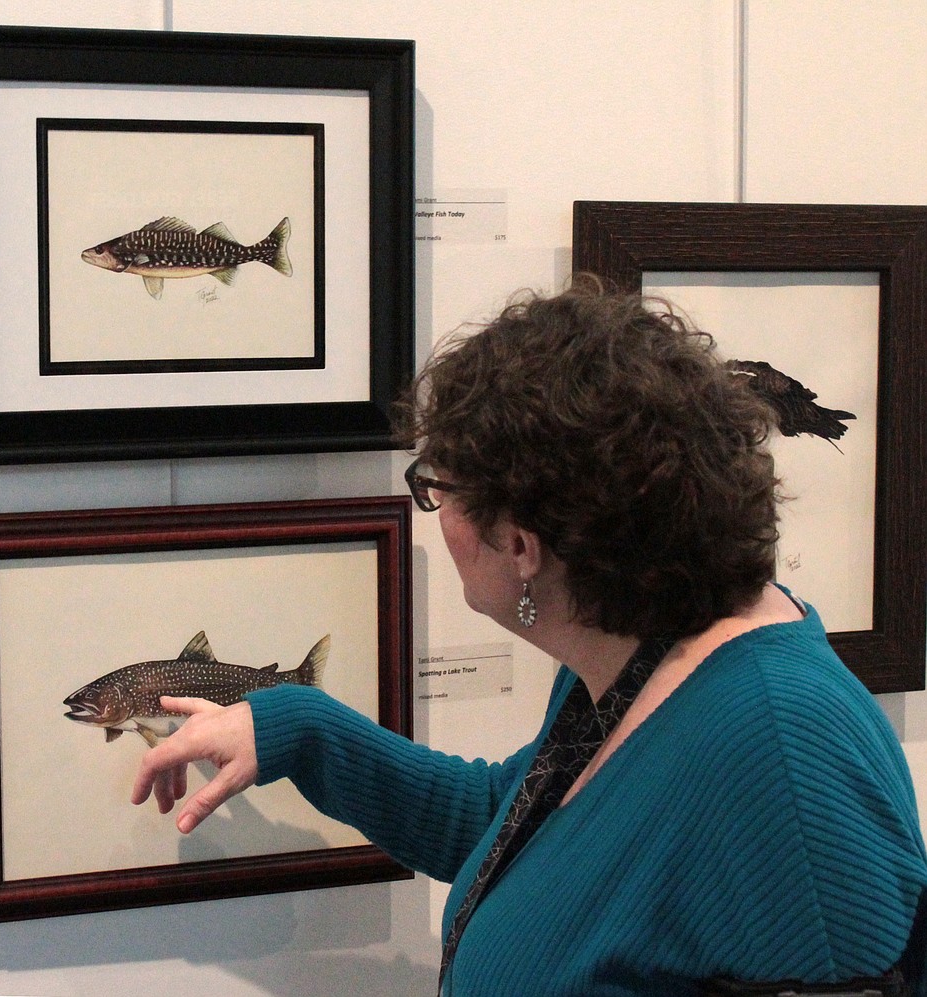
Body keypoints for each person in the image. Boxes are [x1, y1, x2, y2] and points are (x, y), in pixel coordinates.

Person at [131, 279, 927, 996]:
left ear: (521, 545)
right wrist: (292, 726)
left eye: (438, 486)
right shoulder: (641, 643)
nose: (434, 511)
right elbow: (514, 825)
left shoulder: (782, 749)